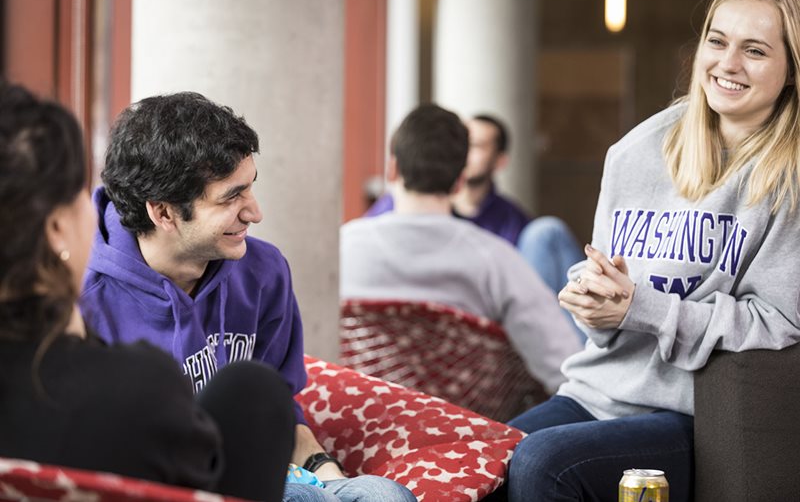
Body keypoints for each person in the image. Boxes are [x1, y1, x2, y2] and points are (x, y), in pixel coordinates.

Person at [504, 0, 800, 500]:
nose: (727, 64)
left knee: (542, 462)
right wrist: (593, 297)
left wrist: (642, 309)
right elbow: (614, 289)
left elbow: (780, 324)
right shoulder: (637, 150)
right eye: (717, 40)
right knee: (484, 461)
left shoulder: (790, 181)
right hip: (597, 390)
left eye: (754, 50)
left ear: (793, 69)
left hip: (694, 412)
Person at [79, 92, 416, 502]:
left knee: (383, 495)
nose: (254, 212)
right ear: (163, 212)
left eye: (250, 188)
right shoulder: (80, 300)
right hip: (157, 488)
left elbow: (280, 410)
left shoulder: (264, 271)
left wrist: (329, 478)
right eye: (230, 197)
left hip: (267, 473)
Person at [0, 82, 295, 501]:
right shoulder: (139, 389)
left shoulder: (263, 272)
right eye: (81, 197)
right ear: (56, 229)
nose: (255, 212)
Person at [341, 104, 582, 394]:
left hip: (365, 424)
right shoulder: (495, 259)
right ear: (458, 183)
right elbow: (563, 370)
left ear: (393, 169)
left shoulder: (343, 247)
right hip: (469, 430)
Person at [367, 114, 583, 295]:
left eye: (476, 146)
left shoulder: (512, 220)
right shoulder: (408, 202)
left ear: (500, 161)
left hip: (495, 316)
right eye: (463, 145)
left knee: (547, 232)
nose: (465, 154)